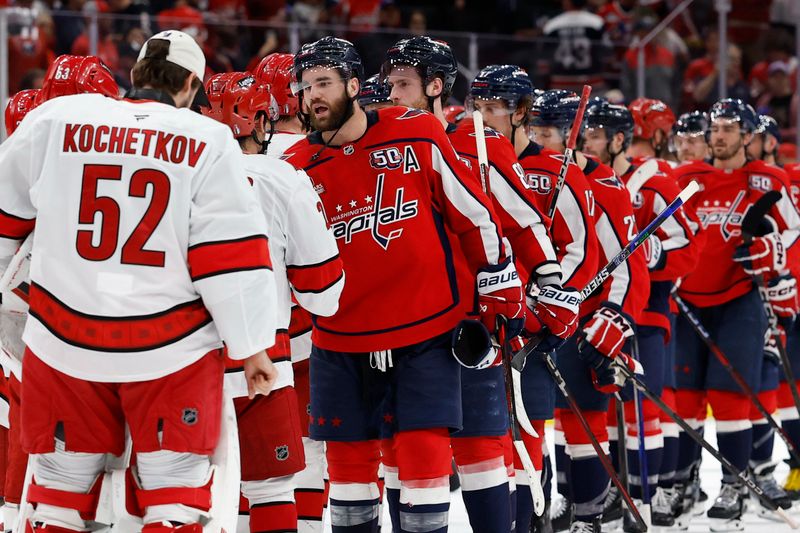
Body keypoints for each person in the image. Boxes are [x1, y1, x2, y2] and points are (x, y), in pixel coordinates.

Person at [0, 30, 279, 533]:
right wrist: (253, 347)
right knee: (174, 500)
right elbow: (230, 255)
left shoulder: (55, 120)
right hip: (169, 348)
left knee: (58, 497)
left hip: (63, 341)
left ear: (135, 73)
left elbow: (2, 218)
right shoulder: (207, 139)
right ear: (193, 84)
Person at [282, 36, 524, 533]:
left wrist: (499, 283)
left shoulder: (416, 133)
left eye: (323, 82)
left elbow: (472, 214)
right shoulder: (293, 170)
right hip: (341, 336)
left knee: (423, 465)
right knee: (347, 480)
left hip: (426, 329)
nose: (312, 96)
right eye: (304, 87)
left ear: (353, 85)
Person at [382, 37, 578, 533]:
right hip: (403, 319)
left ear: (433, 85)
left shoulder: (478, 142)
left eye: (403, 84)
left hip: (472, 322)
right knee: (407, 443)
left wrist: (549, 281)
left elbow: (523, 224)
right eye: (390, 84)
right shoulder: (378, 141)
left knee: (481, 444)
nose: (392, 92)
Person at [467, 65, 624, 533]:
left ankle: (547, 520)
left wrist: (548, 298)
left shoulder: (557, 172)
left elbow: (580, 250)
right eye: (478, 107)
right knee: (490, 444)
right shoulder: (467, 163)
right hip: (485, 327)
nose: (484, 117)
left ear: (520, 112)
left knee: (531, 435)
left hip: (534, 331)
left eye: (494, 108)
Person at [202, 71, 344, 533]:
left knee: (175, 490)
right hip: (267, 356)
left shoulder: (174, 167)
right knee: (273, 486)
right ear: (261, 118)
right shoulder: (282, 176)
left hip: (175, 359)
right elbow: (323, 293)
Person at [0, 55, 120, 531]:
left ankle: (19, 512)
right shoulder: (121, 142)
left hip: (42, 308)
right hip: (64, 315)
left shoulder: (39, 134)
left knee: (29, 426)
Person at [672, 99, 800, 530]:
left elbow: (792, 230)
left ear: (747, 135)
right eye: (715, 128)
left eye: (729, 128)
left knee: (731, 397)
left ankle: (734, 484)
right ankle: (686, 482)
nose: (719, 136)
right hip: (687, 298)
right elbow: (666, 228)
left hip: (740, 298)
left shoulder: (768, 179)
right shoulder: (686, 178)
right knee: (686, 398)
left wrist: (774, 251)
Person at [529, 88, 650, 533]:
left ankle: (590, 516)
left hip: (582, 324)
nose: (539, 140)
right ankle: (546, 506)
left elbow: (627, 264)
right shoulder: (518, 173)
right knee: (539, 424)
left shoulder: (605, 187)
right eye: (534, 130)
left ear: (570, 136)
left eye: (548, 132)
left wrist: (613, 318)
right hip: (532, 319)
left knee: (583, 423)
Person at [582, 98, 700, 526]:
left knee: (640, 412)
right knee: (605, 412)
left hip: (645, 312)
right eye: (585, 134)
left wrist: (653, 251)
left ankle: (647, 497)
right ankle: (614, 492)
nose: (587, 143)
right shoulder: (582, 177)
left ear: (617, 139)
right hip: (594, 311)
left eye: (595, 135)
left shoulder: (653, 183)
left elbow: (688, 248)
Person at [253, 51, 333, 533]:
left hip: (249, 329)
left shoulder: (224, 155)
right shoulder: (313, 157)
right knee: (313, 450)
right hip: (313, 321)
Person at [542, 0, 609, 92]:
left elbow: (544, 58)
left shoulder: (552, 25)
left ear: (567, 2)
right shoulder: (596, 22)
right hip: (591, 81)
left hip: (561, 82)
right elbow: (607, 51)